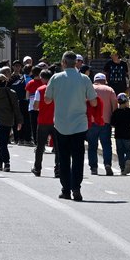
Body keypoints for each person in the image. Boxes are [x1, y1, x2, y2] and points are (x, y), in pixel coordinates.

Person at [44, 51, 97, 202]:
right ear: (76, 63)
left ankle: (65, 189)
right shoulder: (85, 79)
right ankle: (76, 188)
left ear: (63, 63)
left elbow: (47, 100)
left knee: (64, 158)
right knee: (78, 157)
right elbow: (94, 102)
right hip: (79, 124)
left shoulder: (55, 78)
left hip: (61, 124)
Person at [0, 74, 22, 172]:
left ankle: (6, 163)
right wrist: (19, 121)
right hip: (9, 120)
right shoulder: (12, 93)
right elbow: (16, 108)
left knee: (3, 143)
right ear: (6, 82)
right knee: (4, 141)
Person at [87, 72, 118, 177]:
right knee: (106, 145)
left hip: (91, 122)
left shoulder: (89, 88)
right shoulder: (110, 90)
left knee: (92, 146)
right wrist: (114, 119)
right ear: (105, 80)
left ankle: (94, 167)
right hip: (106, 121)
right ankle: (107, 164)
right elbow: (115, 106)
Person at [30, 69, 56, 178]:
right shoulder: (58, 89)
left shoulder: (40, 90)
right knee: (58, 147)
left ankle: (37, 168)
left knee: (40, 146)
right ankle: (58, 169)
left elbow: (35, 107)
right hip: (56, 121)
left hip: (43, 121)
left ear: (43, 78)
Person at [111, 93, 130, 175]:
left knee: (120, 152)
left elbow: (112, 124)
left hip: (118, 136)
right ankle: (128, 160)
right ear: (126, 101)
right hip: (128, 135)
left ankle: (122, 168)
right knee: (129, 150)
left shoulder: (116, 112)